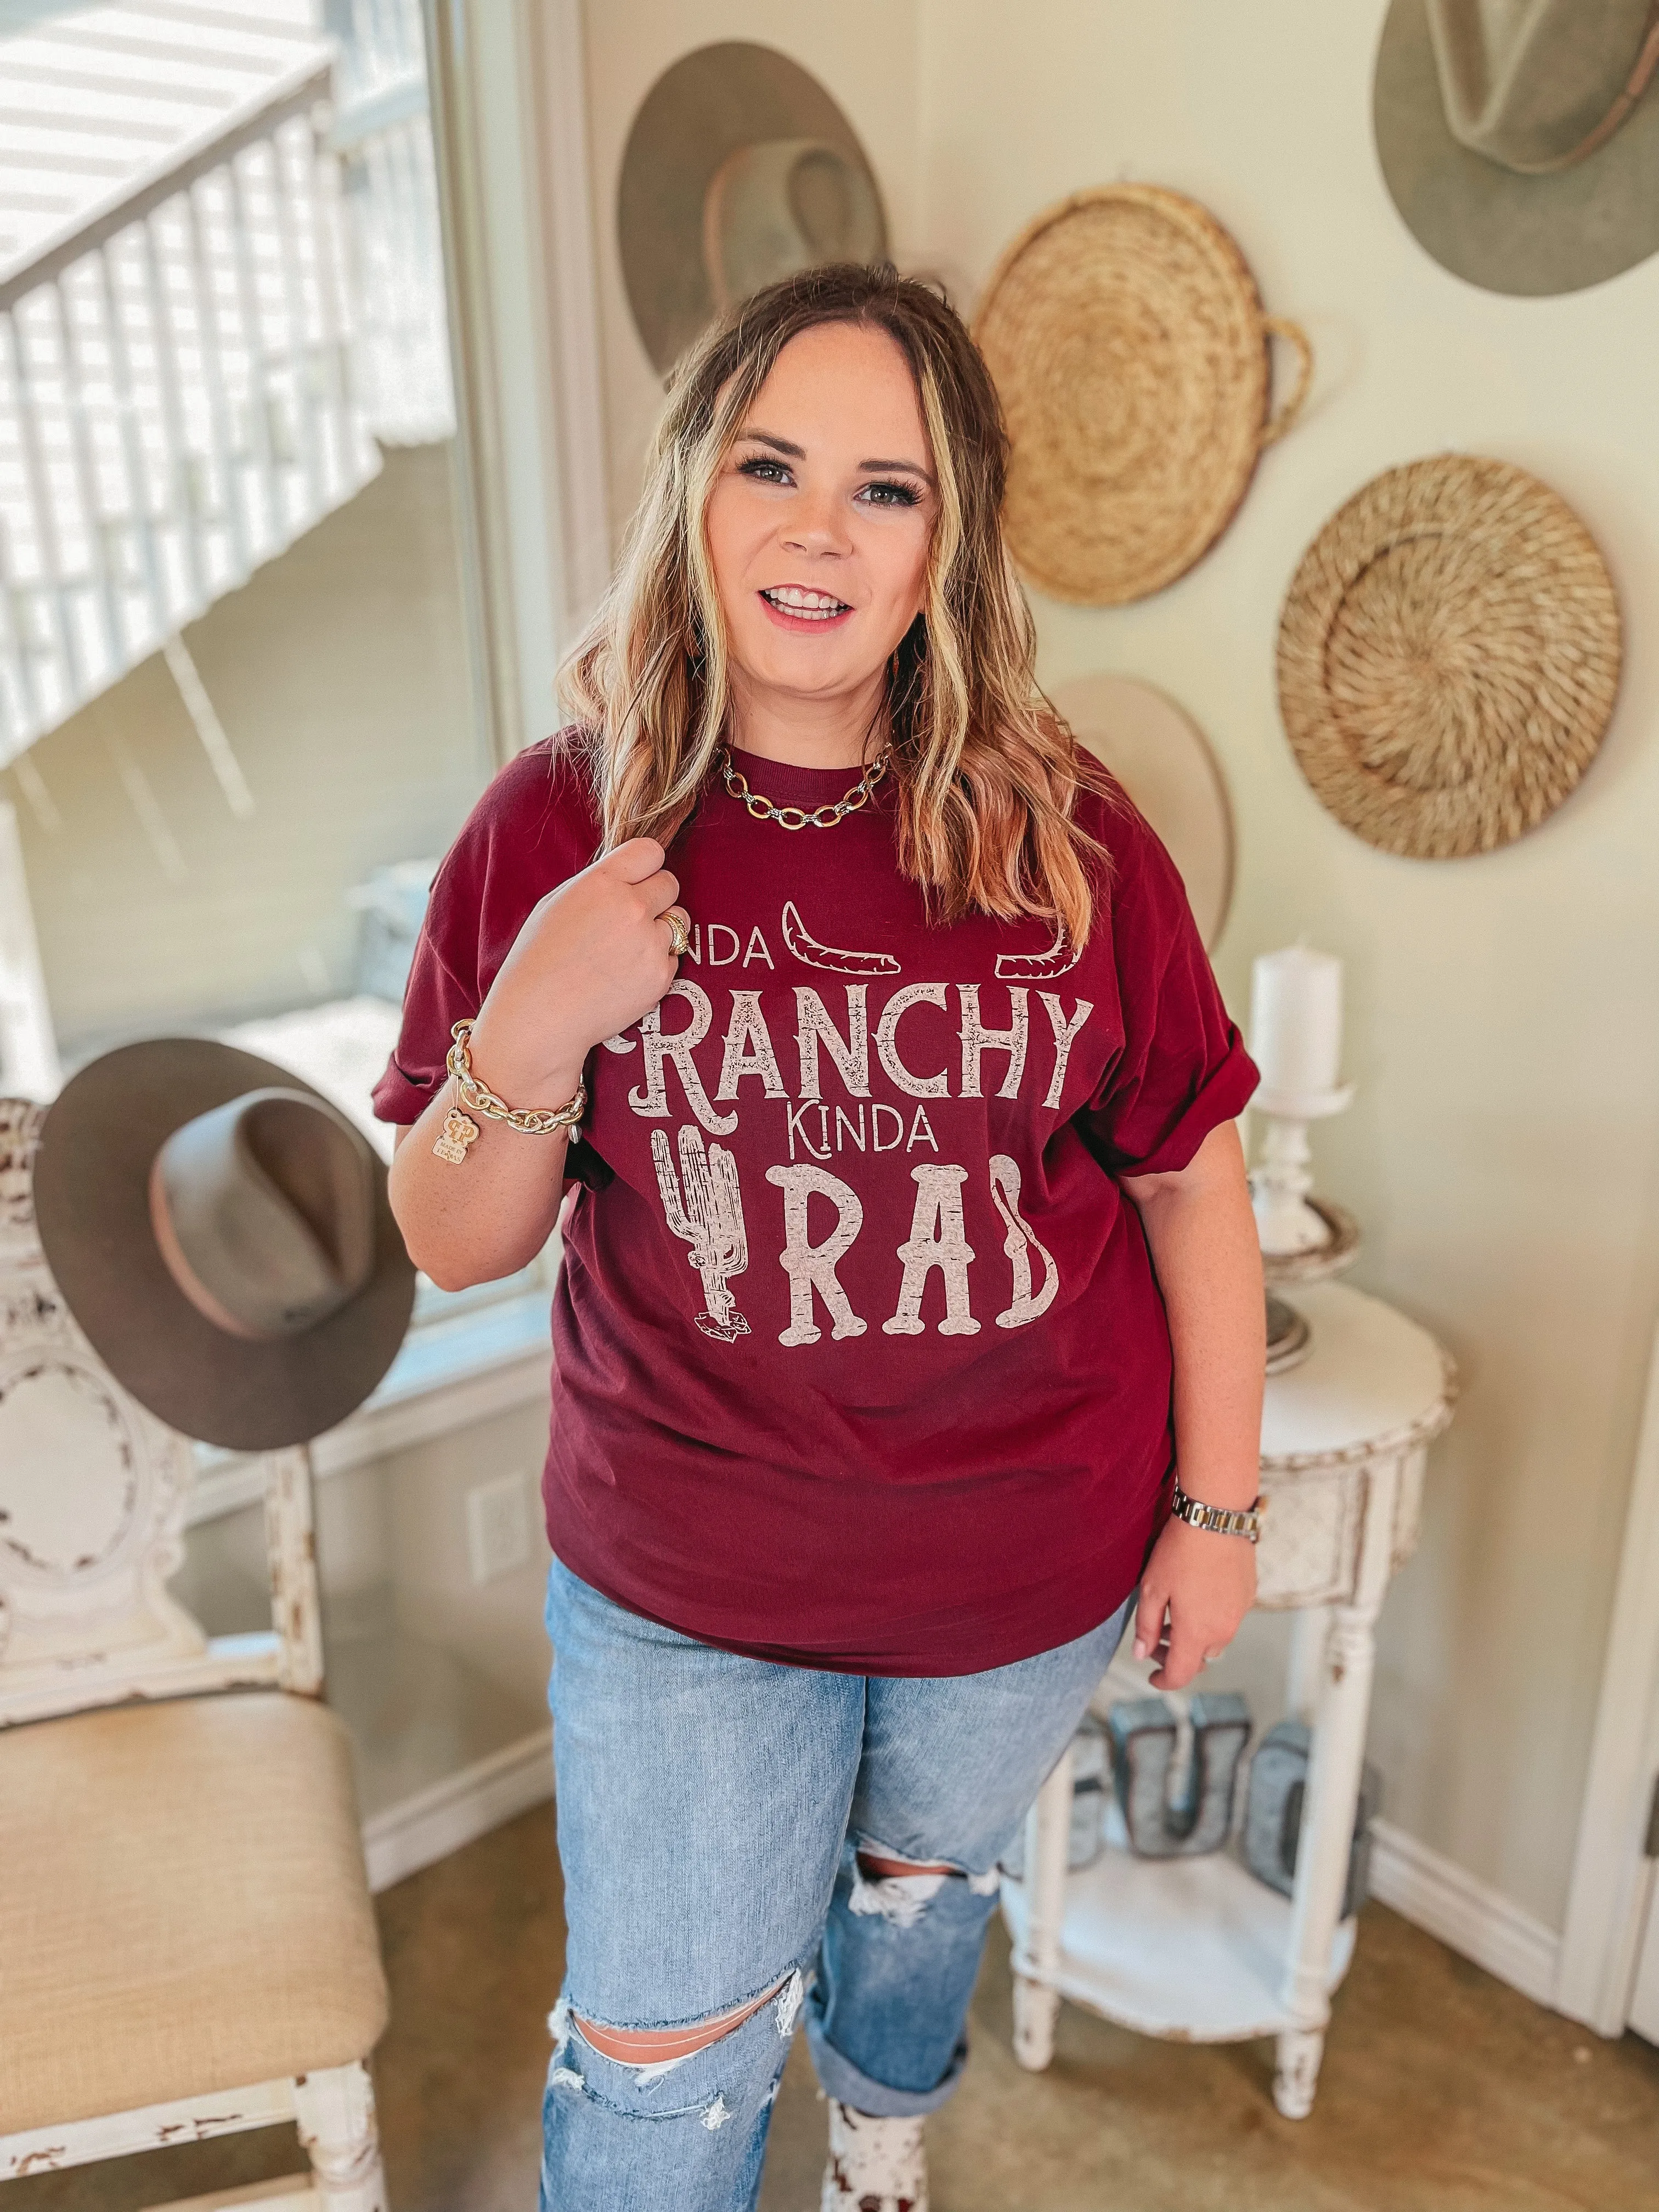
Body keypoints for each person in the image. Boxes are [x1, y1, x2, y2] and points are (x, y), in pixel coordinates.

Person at [376, 262, 1265, 2212]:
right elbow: (450, 1241)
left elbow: (1187, 1168)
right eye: (773, 462)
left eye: (891, 487)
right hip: (696, 1578)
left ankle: (883, 2131)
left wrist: (1218, 1506)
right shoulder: (559, 824)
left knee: (917, 1900)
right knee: (664, 2074)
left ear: (950, 548)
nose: (817, 528)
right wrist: (531, 1019)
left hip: (1027, 1562)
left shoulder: (1071, 829)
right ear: (694, 488)